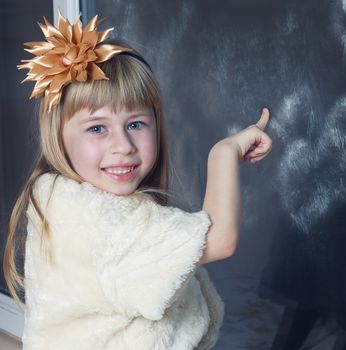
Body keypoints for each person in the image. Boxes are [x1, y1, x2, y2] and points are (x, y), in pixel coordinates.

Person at [3, 12, 272, 350]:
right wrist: (225, 152)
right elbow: (220, 240)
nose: (123, 146)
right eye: (97, 128)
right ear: (58, 137)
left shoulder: (57, 194)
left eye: (135, 124)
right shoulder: (97, 221)